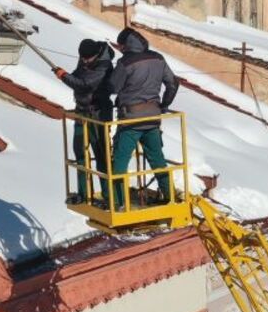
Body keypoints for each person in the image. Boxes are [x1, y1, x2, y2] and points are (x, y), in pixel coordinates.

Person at [107, 27, 178, 208]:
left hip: (131, 119)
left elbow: (112, 88)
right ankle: (170, 196)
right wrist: (164, 106)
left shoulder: (125, 62)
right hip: (153, 118)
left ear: (125, 45)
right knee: (157, 159)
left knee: (120, 162)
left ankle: (120, 203)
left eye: (120, 46)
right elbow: (173, 83)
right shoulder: (158, 58)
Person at [52, 39, 114, 203]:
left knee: (101, 155)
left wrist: (64, 76)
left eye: (88, 59)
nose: (84, 62)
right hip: (82, 111)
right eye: (83, 59)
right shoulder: (85, 59)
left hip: (98, 114)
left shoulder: (104, 65)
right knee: (79, 153)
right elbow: (77, 76)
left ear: (96, 55)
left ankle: (109, 196)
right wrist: (65, 75)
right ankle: (84, 194)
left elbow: (85, 85)